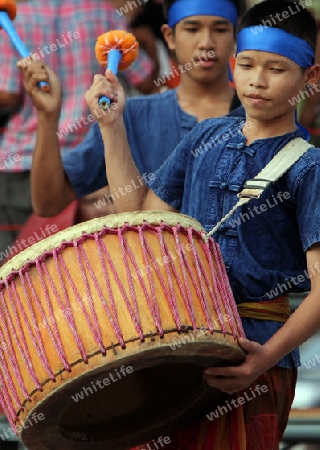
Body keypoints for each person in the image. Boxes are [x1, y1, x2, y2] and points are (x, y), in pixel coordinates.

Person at [81, 0, 320, 448]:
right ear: (233, 67)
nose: (258, 80)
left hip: (252, 359)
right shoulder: (205, 137)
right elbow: (142, 222)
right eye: (247, 65)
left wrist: (265, 358)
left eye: (277, 69)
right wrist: (111, 127)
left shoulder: (309, 168)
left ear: (311, 78)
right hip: (177, 344)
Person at [17, 0, 245, 219]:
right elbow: (48, 203)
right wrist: (47, 116)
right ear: (169, 36)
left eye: (220, 29)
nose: (206, 42)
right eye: (192, 29)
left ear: (236, 36)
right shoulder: (126, 117)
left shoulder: (256, 117)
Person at [0, 0, 155, 256]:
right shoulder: (104, 14)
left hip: (19, 163)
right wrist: (148, 43)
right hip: (84, 172)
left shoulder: (16, 18)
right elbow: (146, 79)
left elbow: (7, 94)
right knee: (72, 274)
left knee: (12, 276)